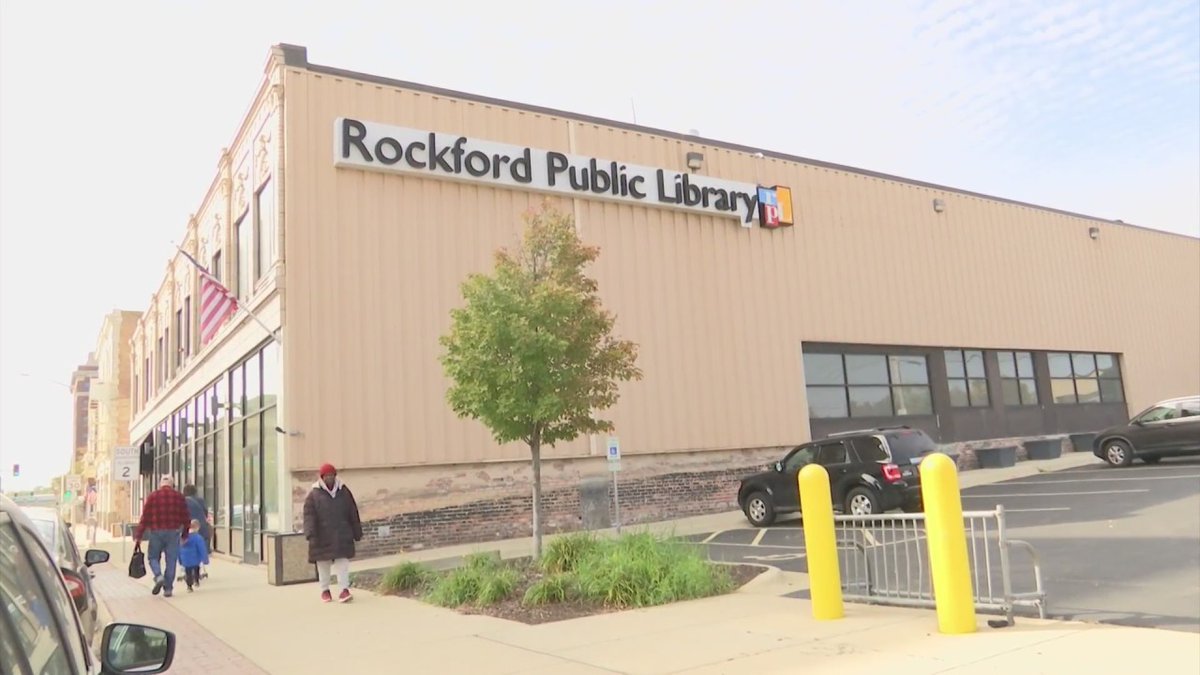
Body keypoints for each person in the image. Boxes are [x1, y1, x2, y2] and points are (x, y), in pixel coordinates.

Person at [302, 463, 363, 603]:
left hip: (342, 533)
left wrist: (357, 531)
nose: (330, 479)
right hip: (321, 536)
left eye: (332, 476)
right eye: (327, 476)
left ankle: (344, 589)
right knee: (323, 564)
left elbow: (352, 512)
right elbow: (309, 515)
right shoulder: (314, 495)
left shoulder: (344, 492)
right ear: (322, 478)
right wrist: (310, 534)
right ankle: (325, 590)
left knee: (343, 562)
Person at [133, 475, 191, 598]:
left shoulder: (153, 496)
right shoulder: (179, 497)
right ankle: (168, 588)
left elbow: (145, 517)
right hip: (173, 532)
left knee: (153, 557)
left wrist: (139, 535)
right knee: (171, 560)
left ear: (160, 484)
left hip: (156, 532)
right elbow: (186, 518)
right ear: (172, 484)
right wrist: (185, 534)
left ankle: (158, 576)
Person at [182, 484, 211, 578]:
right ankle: (200, 568)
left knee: (187, 548)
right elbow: (205, 513)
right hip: (200, 527)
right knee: (200, 548)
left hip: (186, 528)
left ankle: (187, 570)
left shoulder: (182, 501)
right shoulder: (200, 501)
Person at [178, 519, 210, 593]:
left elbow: (178, 549)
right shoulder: (198, 538)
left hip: (185, 559)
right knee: (196, 569)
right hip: (196, 559)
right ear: (197, 528)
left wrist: (179, 559)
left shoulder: (183, 537)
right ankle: (196, 580)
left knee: (188, 572)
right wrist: (205, 559)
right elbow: (202, 549)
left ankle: (189, 586)